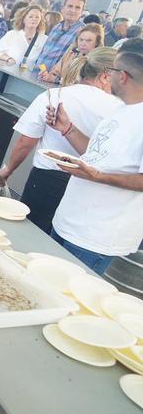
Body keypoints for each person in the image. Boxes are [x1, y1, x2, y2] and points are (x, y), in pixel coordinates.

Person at [0, 47, 123, 233]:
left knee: (27, 234)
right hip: (87, 186)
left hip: (46, 179)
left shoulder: (55, 95)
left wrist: (8, 170)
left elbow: (26, 141)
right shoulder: (119, 108)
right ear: (105, 76)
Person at [44, 50, 143, 274]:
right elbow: (98, 153)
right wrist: (68, 129)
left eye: (112, 70)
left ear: (123, 76)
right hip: (68, 221)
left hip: (96, 237)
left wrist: (98, 177)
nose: (108, 75)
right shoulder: (121, 108)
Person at [35, 0, 86, 73]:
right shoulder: (57, 27)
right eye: (70, 6)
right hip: (37, 73)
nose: (72, 10)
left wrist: (55, 77)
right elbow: (44, 52)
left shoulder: (83, 32)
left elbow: (77, 61)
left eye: (77, 8)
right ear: (63, 8)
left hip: (54, 82)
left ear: (82, 12)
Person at [39, 23, 104, 83]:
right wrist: (48, 77)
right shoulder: (72, 52)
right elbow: (56, 72)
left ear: (97, 43)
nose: (83, 43)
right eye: (81, 39)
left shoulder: (98, 62)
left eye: (89, 40)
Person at [0, 4, 49, 69]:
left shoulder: (44, 39)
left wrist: (43, 70)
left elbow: (43, 62)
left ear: (40, 20)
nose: (34, 19)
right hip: (9, 73)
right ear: (23, 19)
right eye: (30, 17)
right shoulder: (12, 34)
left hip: (28, 77)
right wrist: (9, 59)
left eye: (37, 17)